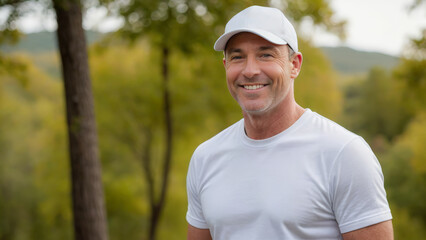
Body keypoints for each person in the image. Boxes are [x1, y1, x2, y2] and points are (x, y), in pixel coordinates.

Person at [186, 5, 393, 240]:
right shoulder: (205, 157)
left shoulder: (344, 154)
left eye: (266, 54)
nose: (250, 70)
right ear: (226, 66)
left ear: (294, 65)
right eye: (237, 57)